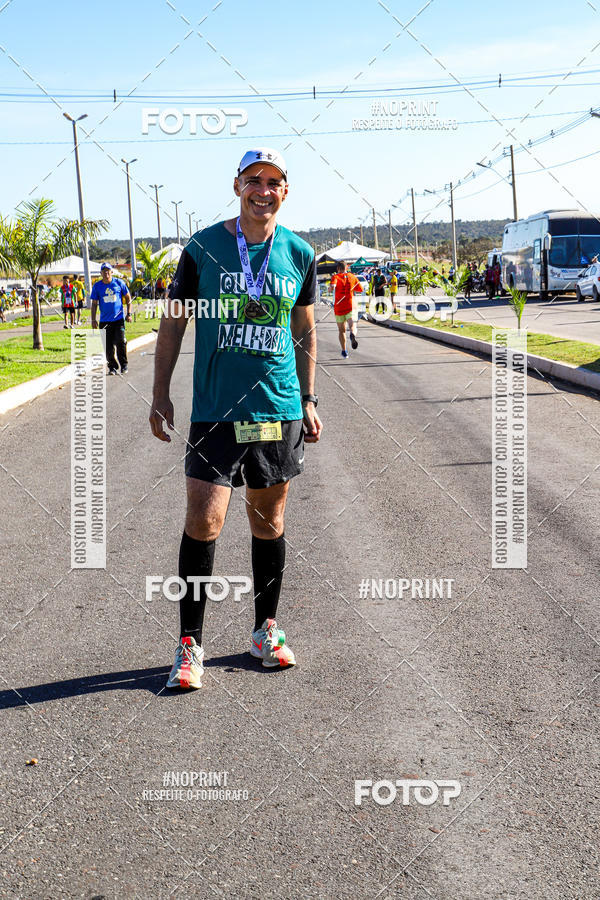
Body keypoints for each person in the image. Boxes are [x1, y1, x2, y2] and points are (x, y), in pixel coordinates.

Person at [149, 147, 322, 691]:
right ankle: (189, 644)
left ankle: (264, 629)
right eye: (254, 180)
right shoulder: (203, 248)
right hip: (216, 414)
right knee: (204, 520)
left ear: (285, 191)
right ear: (237, 185)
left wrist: (311, 399)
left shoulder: (299, 252)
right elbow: (174, 324)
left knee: (267, 522)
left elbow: (306, 329)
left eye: (274, 182)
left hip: (277, 408)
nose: (263, 190)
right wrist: (160, 394)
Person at [90, 263, 132, 374]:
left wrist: (129, 313)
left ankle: (124, 365)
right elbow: (94, 304)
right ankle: (112, 367)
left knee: (120, 342)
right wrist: (93, 319)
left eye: (108, 271)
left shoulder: (119, 283)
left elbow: (128, 298)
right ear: (101, 273)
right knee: (108, 347)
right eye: (104, 271)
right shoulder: (97, 286)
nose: (106, 273)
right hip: (104, 321)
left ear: (112, 272)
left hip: (118, 320)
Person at [330, 260, 363, 357]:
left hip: (339, 307)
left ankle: (344, 351)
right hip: (351, 305)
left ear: (338, 268)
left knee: (341, 331)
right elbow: (360, 289)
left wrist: (331, 288)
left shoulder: (335, 277)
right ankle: (352, 334)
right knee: (353, 326)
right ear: (346, 267)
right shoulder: (352, 277)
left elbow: (333, 286)